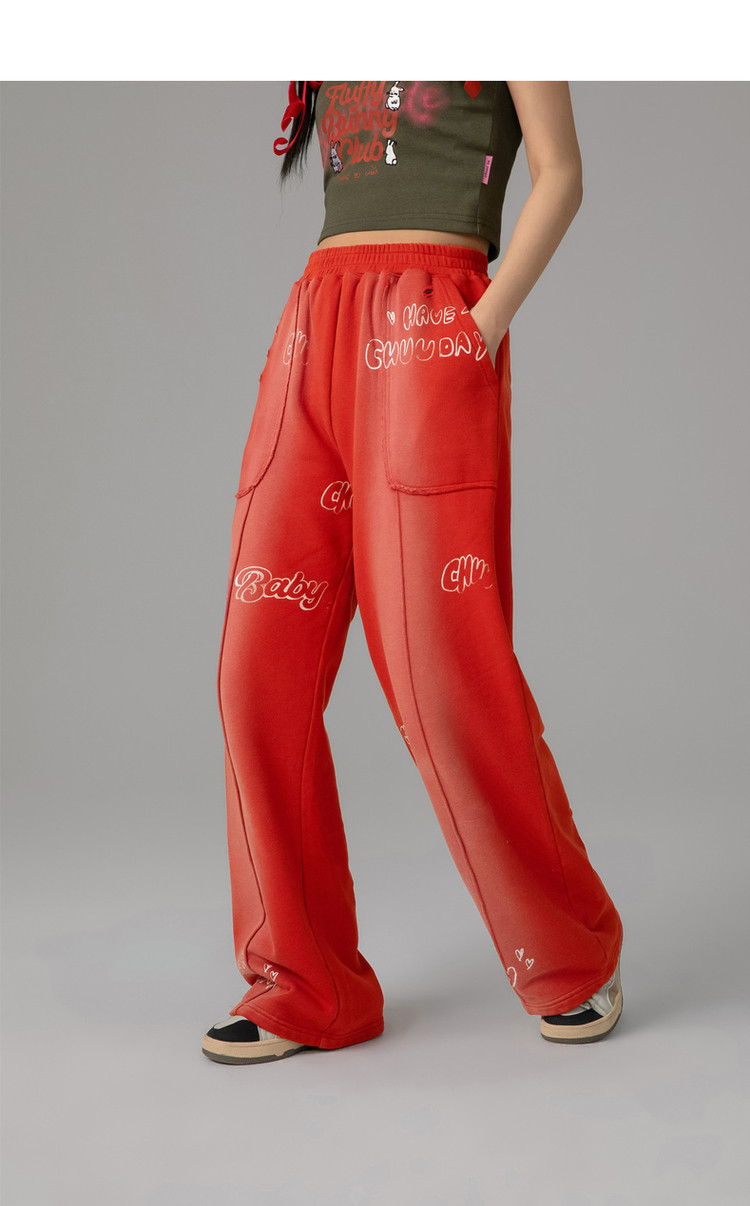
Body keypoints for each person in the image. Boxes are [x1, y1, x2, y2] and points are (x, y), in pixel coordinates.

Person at [201, 81, 624, 1066]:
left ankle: (571, 953)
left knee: (442, 676)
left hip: (429, 318)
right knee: (255, 673)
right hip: (316, 319)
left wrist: (480, 327)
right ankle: (307, 985)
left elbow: (561, 176)